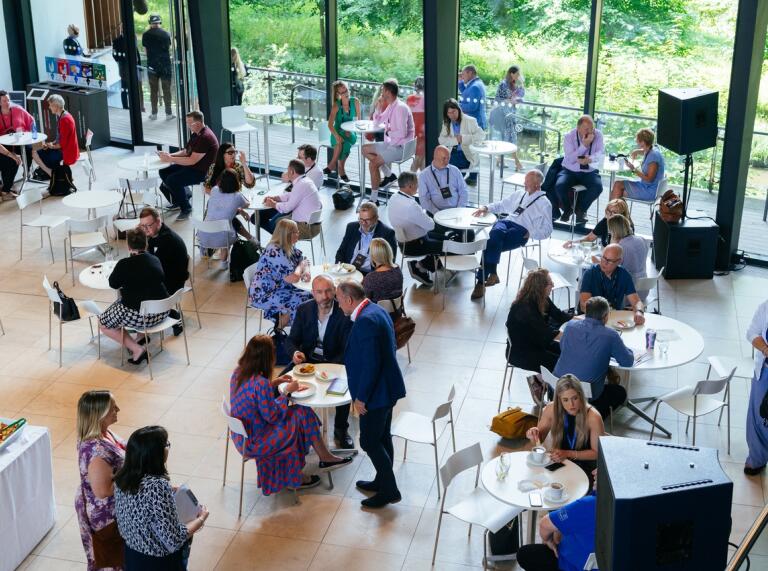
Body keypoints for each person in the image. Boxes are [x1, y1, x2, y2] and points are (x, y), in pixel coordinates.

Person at [230, 335, 352, 494]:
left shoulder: (238, 373)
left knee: (301, 412)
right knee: (302, 413)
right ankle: (317, 462)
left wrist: (274, 383)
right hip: (258, 441)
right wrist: (287, 392)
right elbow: (272, 416)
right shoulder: (260, 384)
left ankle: (319, 459)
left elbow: (254, 399)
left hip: (242, 436)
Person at [337, 281, 406, 508]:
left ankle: (389, 489)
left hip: (376, 394)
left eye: (339, 300)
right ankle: (381, 480)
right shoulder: (376, 309)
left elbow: (370, 364)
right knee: (382, 436)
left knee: (368, 441)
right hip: (388, 387)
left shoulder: (365, 321)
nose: (338, 305)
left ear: (349, 299)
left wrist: (361, 398)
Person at [114, 426, 208, 569]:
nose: (168, 448)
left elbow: (141, 505)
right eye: (166, 444)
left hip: (132, 556)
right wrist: (200, 519)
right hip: (159, 563)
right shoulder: (157, 486)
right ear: (155, 453)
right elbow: (174, 539)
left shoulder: (122, 478)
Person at [287, 275, 354, 449]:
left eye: (328, 291)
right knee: (279, 387)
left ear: (335, 291)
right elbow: (291, 340)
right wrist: (295, 352)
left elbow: (347, 348)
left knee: (343, 388)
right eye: (319, 292)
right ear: (312, 293)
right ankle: (299, 427)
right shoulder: (304, 309)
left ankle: (340, 429)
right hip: (308, 362)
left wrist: (330, 369)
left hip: (335, 362)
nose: (324, 296)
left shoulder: (344, 312)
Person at [471, 169, 552, 299]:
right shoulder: (520, 193)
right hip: (507, 221)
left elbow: (548, 229)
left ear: (537, 185)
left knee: (489, 244)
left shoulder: (545, 203)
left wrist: (531, 233)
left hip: (522, 230)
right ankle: (492, 273)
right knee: (496, 232)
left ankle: (481, 283)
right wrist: (486, 207)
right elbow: (502, 205)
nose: (524, 183)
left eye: (527, 181)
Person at [555, 296, 634, 418]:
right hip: (585, 396)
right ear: (606, 316)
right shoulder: (611, 335)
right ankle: (588, 419)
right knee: (620, 392)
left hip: (556, 388)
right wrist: (626, 349)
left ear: (586, 312)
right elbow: (627, 362)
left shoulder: (570, 326)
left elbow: (563, 348)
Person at [99, 229, 169, 365]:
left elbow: (113, 284)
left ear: (129, 246)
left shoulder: (124, 264)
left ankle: (137, 349)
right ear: (146, 243)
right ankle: (141, 336)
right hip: (162, 311)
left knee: (103, 324)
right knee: (139, 298)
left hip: (142, 317)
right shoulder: (155, 259)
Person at [75, 390, 125, 571]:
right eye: (113, 408)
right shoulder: (96, 451)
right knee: (112, 559)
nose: (117, 409)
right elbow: (103, 490)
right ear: (99, 415)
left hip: (115, 508)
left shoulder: (105, 433)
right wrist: (134, 473)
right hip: (107, 517)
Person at [516, 470, 598, 571]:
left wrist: (549, 541)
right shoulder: (620, 506)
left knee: (524, 554)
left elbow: (544, 525)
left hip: (569, 564)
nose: (594, 472)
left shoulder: (589, 504)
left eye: (601, 470)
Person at [526, 375, 604, 480]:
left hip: (587, 467)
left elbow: (597, 453)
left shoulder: (593, 417)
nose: (571, 404)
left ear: (581, 396)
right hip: (560, 461)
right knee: (537, 480)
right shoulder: (550, 409)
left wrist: (568, 453)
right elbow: (537, 443)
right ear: (559, 399)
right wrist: (533, 435)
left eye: (575, 398)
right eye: (565, 400)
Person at [248, 218, 312, 328]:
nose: (298, 234)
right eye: (296, 232)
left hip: (280, 288)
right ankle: (284, 331)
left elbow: (304, 260)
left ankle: (284, 325)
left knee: (311, 295)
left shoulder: (288, 247)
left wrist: (305, 270)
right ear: (287, 234)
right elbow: (294, 278)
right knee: (301, 301)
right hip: (264, 293)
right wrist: (301, 267)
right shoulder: (274, 251)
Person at [506, 268, 572, 373]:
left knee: (568, 352)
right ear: (541, 287)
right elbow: (549, 333)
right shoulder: (525, 309)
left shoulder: (541, 298)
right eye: (551, 283)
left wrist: (583, 320)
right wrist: (575, 337)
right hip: (522, 352)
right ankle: (552, 387)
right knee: (561, 363)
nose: (553, 285)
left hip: (535, 342)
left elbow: (559, 315)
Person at [158, 110, 219, 220]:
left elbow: (192, 160)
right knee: (163, 171)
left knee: (172, 180)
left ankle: (186, 208)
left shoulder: (205, 137)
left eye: (190, 123)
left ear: (199, 123)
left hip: (202, 172)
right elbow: (186, 151)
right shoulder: (196, 134)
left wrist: (171, 159)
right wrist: (169, 155)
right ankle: (179, 199)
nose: (188, 126)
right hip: (193, 166)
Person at [361, 79, 415, 203]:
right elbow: (377, 122)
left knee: (373, 164)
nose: (381, 92)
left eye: (383, 90)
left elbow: (402, 133)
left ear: (388, 92)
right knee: (364, 149)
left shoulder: (400, 108)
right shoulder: (391, 105)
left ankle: (374, 199)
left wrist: (387, 131)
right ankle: (389, 175)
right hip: (391, 144)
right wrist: (378, 107)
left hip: (401, 148)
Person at [388, 171, 444, 287]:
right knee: (448, 245)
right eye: (416, 184)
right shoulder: (411, 205)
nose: (418, 186)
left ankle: (427, 264)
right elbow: (430, 225)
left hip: (403, 242)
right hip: (416, 245)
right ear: (410, 186)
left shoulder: (393, 198)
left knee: (442, 237)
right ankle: (420, 266)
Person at [139, 207, 188, 336]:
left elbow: (154, 270)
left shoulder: (167, 240)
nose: (145, 229)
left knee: (133, 290)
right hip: (165, 276)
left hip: (173, 283)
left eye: (148, 225)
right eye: (142, 226)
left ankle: (170, 315)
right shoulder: (154, 236)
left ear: (158, 221)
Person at [555, 114, 605, 224]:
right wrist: (584, 145)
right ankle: (567, 209)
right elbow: (571, 159)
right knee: (560, 186)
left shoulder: (598, 135)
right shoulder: (569, 136)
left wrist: (590, 159)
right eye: (587, 129)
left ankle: (581, 210)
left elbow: (601, 153)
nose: (590, 131)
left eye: (592, 128)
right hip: (570, 170)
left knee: (597, 187)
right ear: (578, 128)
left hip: (589, 171)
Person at [579, 243, 646, 323]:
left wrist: (639, 312)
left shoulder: (624, 274)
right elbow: (584, 305)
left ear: (619, 262)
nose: (604, 263)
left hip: (615, 319)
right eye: (603, 258)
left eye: (609, 261)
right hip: (592, 319)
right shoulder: (590, 273)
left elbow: (637, 302)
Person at [199, 168, 252, 269]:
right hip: (223, 238)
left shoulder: (214, 189)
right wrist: (243, 207)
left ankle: (205, 251)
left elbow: (223, 206)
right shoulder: (237, 196)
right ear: (236, 182)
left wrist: (240, 210)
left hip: (202, 236)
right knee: (227, 228)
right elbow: (247, 204)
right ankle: (223, 263)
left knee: (224, 221)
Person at [256, 158, 322, 238]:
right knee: (275, 222)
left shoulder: (300, 185)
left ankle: (283, 246)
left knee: (275, 226)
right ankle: (283, 245)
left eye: (288, 170)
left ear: (292, 172)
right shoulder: (306, 181)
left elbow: (288, 208)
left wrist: (273, 204)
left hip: (306, 228)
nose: (286, 173)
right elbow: (292, 195)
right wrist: (277, 198)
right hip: (313, 225)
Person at [335, 201, 397, 275]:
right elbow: (341, 252)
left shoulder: (387, 233)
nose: (363, 223)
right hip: (349, 270)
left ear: (376, 218)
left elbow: (390, 261)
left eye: (367, 220)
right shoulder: (351, 227)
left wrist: (374, 278)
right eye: (361, 219)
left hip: (371, 274)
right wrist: (339, 270)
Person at [31, 94, 79, 180]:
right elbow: (60, 138)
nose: (49, 107)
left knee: (36, 153)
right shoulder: (64, 115)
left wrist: (52, 146)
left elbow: (61, 144)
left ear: (56, 106)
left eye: (50, 105)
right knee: (42, 151)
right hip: (66, 149)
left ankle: (52, 173)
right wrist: (51, 144)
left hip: (66, 151)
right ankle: (58, 174)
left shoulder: (64, 120)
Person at [438, 98, 485, 186]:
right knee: (442, 175)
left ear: (459, 109)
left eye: (454, 111)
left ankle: (456, 189)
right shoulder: (446, 123)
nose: (452, 115)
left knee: (451, 179)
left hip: (466, 154)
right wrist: (456, 140)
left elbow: (481, 136)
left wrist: (463, 138)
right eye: (449, 113)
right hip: (452, 153)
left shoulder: (470, 120)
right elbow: (441, 140)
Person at [745, 299, 768, 476]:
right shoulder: (765, 306)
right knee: (759, 416)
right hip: (765, 371)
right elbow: (751, 332)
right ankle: (757, 458)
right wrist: (765, 348)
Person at [611, 128, 665, 201]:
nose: (636, 141)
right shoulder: (653, 149)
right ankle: (617, 211)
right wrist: (637, 151)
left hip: (649, 191)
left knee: (617, 187)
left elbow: (649, 179)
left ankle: (611, 211)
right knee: (617, 189)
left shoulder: (653, 157)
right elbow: (645, 151)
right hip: (647, 186)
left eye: (638, 139)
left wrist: (633, 169)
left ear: (642, 142)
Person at [325, 80, 361, 182]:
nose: (345, 94)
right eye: (342, 92)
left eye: (346, 90)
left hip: (350, 132)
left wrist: (351, 129)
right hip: (336, 131)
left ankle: (333, 164)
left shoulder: (356, 102)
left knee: (345, 141)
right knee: (343, 143)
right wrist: (336, 135)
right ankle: (341, 169)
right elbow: (330, 125)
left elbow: (358, 120)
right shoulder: (336, 105)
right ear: (338, 94)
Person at [417, 145, 468, 216]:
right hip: (435, 213)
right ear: (435, 157)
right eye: (444, 158)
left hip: (456, 211)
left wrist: (459, 210)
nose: (446, 161)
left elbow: (464, 191)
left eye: (448, 158)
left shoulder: (455, 170)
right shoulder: (424, 175)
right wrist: (437, 214)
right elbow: (424, 199)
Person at [564, 198, 633, 250]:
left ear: (621, 214)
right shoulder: (605, 221)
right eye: (608, 211)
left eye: (614, 212)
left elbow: (621, 251)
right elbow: (590, 238)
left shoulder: (627, 227)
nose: (610, 215)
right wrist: (572, 242)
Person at [142, 14, 173, 120]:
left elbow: (145, 51)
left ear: (150, 22)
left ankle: (154, 114)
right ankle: (168, 113)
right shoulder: (166, 34)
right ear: (160, 22)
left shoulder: (146, 35)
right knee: (167, 90)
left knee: (153, 91)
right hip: (165, 66)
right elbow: (168, 48)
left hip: (152, 66)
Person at [494, 65, 525, 171]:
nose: (519, 76)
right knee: (508, 138)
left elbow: (521, 97)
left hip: (511, 115)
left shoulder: (514, 84)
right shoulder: (503, 84)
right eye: (517, 74)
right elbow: (498, 99)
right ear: (512, 74)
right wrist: (509, 100)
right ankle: (517, 163)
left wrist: (521, 84)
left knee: (510, 138)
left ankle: (499, 159)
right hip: (504, 115)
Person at [607, 214, 648, 282]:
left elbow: (609, 268)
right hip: (644, 285)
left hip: (628, 287)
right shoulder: (641, 239)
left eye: (610, 230)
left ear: (614, 231)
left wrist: (613, 243)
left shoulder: (620, 247)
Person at [112, 23, 143, 111]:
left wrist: (139, 64)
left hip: (133, 67)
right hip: (124, 68)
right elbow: (115, 55)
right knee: (125, 87)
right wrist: (121, 61)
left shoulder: (133, 38)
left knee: (133, 86)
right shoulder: (116, 41)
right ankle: (125, 106)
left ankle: (134, 105)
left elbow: (136, 51)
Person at [362, 238, 403, 303]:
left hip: (376, 312)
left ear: (373, 255)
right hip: (395, 310)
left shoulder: (371, 277)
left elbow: (364, 299)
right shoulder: (397, 269)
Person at [457, 64, 487, 130]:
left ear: (470, 73)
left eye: (463, 74)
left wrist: (457, 105)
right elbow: (466, 92)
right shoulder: (476, 84)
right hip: (475, 123)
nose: (462, 76)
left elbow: (472, 107)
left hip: (476, 124)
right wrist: (460, 81)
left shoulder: (475, 87)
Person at [406, 76, 426, 171]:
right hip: (423, 132)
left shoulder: (409, 98)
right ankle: (409, 181)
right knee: (419, 159)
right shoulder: (427, 99)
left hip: (413, 131)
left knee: (423, 160)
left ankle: (422, 183)